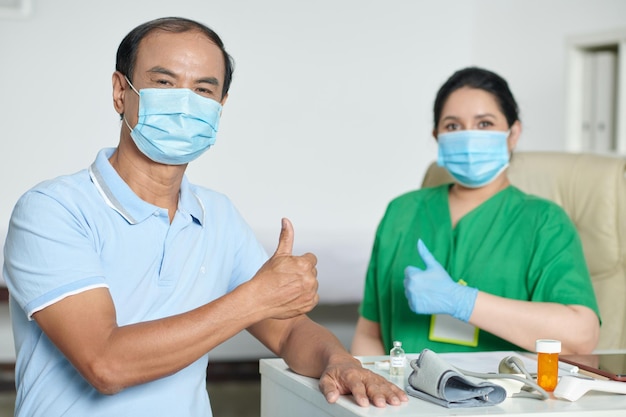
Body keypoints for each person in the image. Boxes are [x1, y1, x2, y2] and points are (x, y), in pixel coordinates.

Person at [2, 17, 407, 417]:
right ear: (120, 92)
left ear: (219, 107)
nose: (184, 103)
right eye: (164, 83)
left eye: (203, 90)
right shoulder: (52, 210)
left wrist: (341, 362)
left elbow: (288, 329)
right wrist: (256, 297)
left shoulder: (217, 215)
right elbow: (106, 364)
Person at [351, 66, 601, 357]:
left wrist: (463, 302)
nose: (469, 138)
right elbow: (369, 333)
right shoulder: (401, 213)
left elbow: (581, 336)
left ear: (513, 133)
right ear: (437, 136)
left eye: (484, 124)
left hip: (504, 397)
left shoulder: (544, 222)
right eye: (453, 126)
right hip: (402, 396)